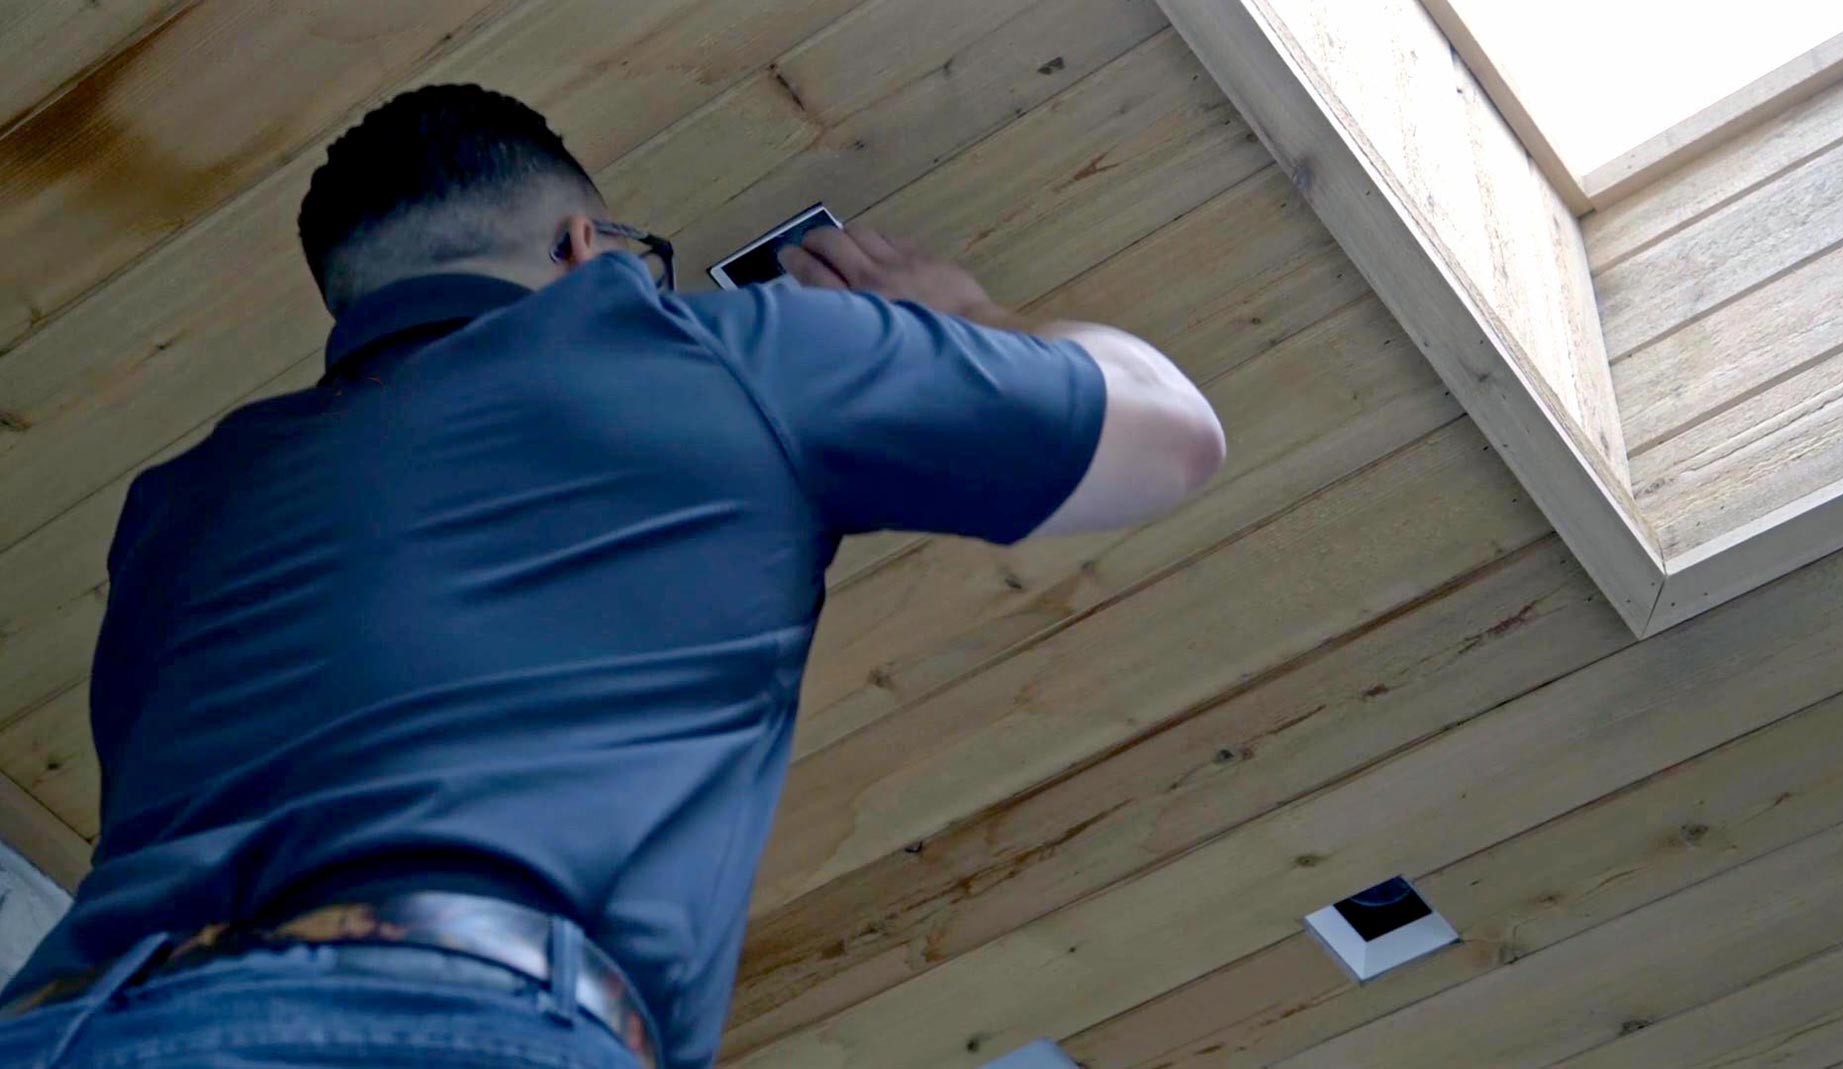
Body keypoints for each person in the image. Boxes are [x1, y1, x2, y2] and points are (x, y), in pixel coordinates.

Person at [0, 84, 1224, 1069]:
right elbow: (1170, 432)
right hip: (435, 1021)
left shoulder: (178, 504)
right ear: (589, 249)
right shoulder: (713, 346)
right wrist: (965, 322)